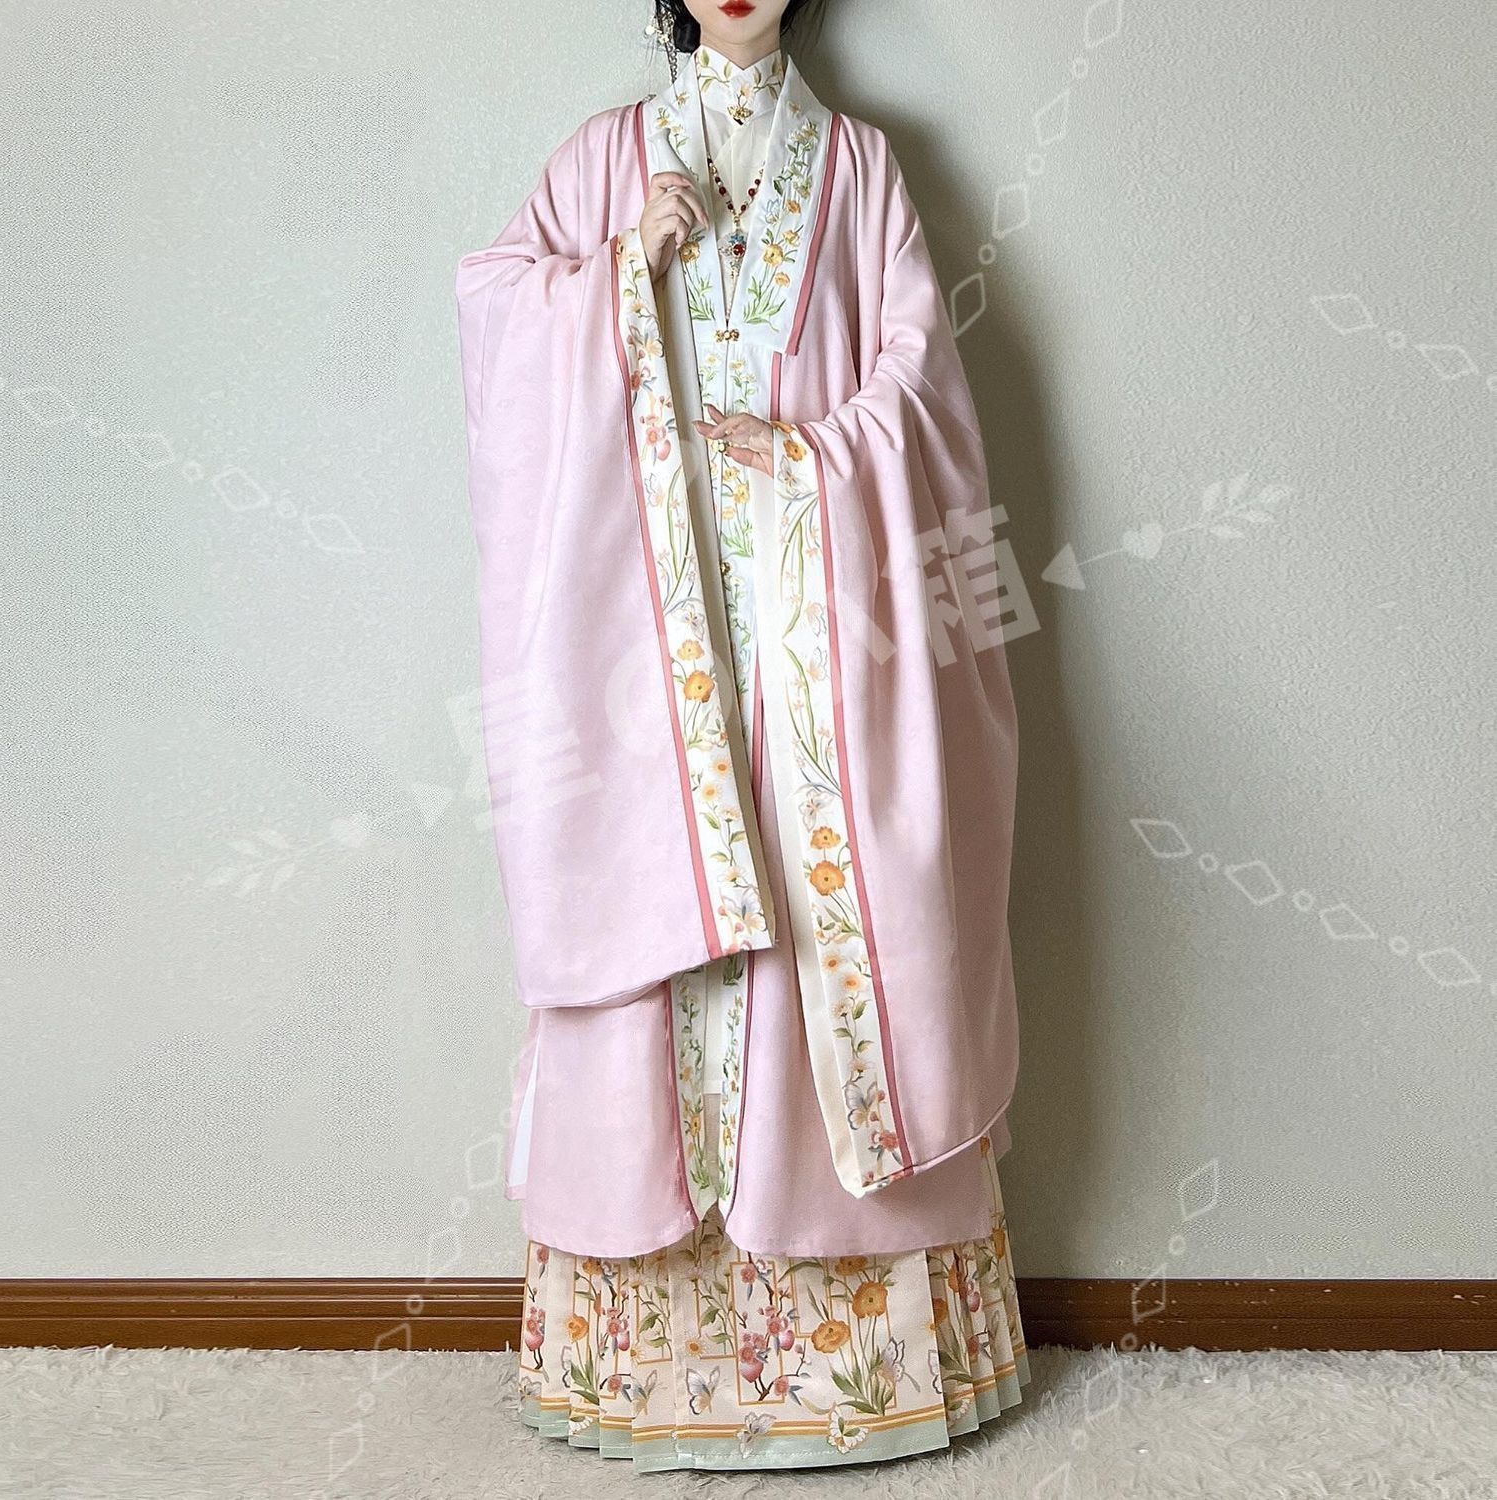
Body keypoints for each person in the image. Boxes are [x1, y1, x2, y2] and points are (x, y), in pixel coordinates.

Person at [455, 0, 1027, 1471]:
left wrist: (815, 461)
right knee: (663, 906)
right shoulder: (602, 160)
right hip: (643, 647)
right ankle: (649, 1357)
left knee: (816, 923)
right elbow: (496, 320)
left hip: (815, 633)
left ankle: (845, 1366)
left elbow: (925, 396)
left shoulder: (864, 168)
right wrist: (613, 274)